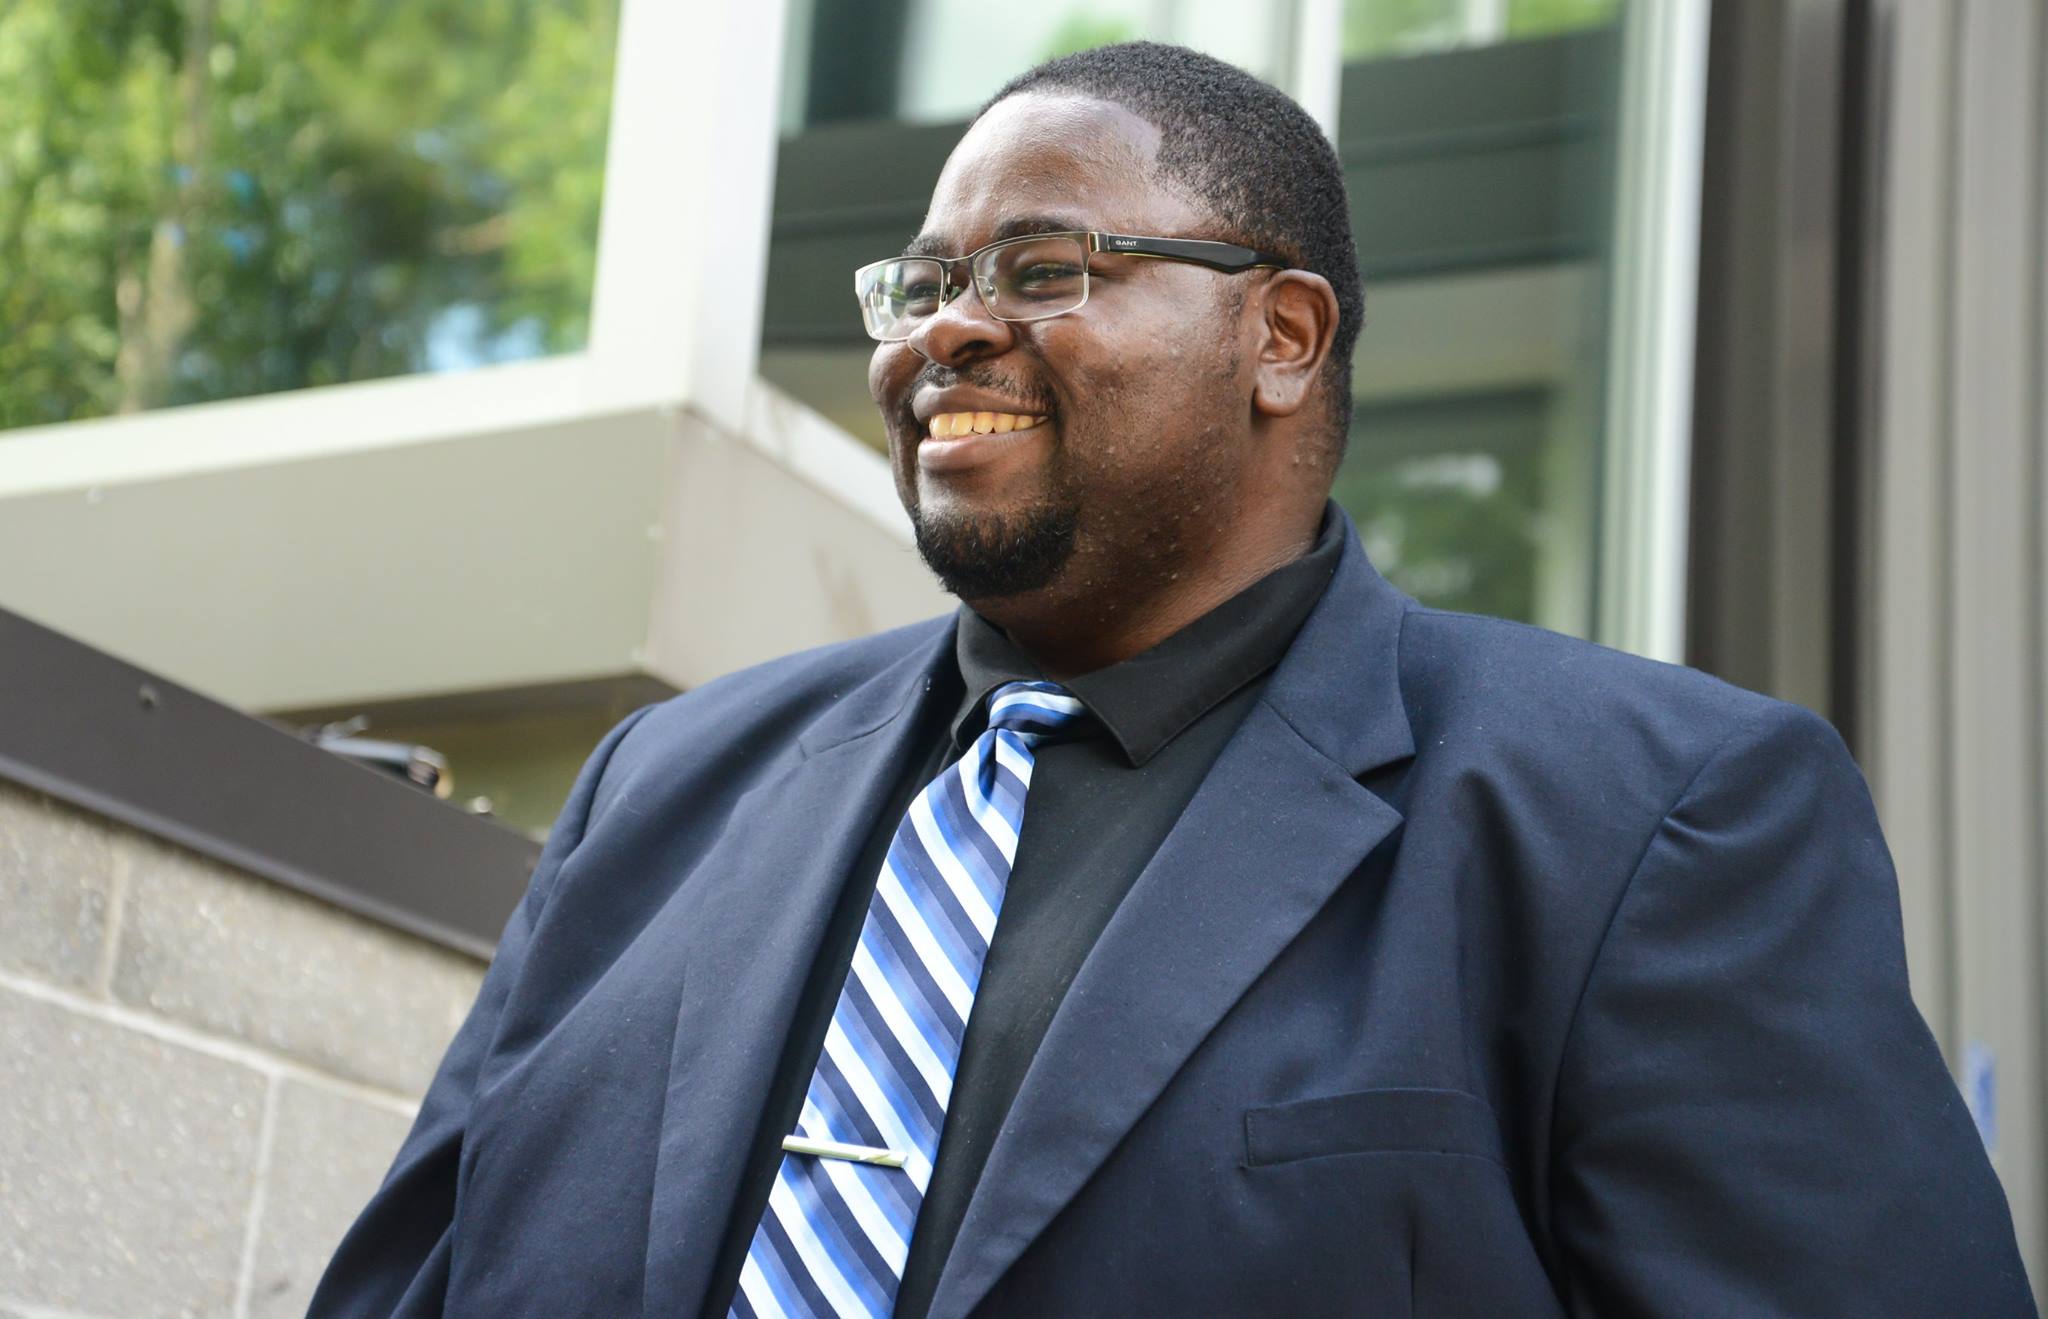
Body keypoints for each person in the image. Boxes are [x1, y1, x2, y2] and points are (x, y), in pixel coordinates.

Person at [311, 41, 2031, 1318]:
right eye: (920, 286)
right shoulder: (661, 796)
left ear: (1282, 338)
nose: (943, 333)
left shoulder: (1648, 815)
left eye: (1043, 271)